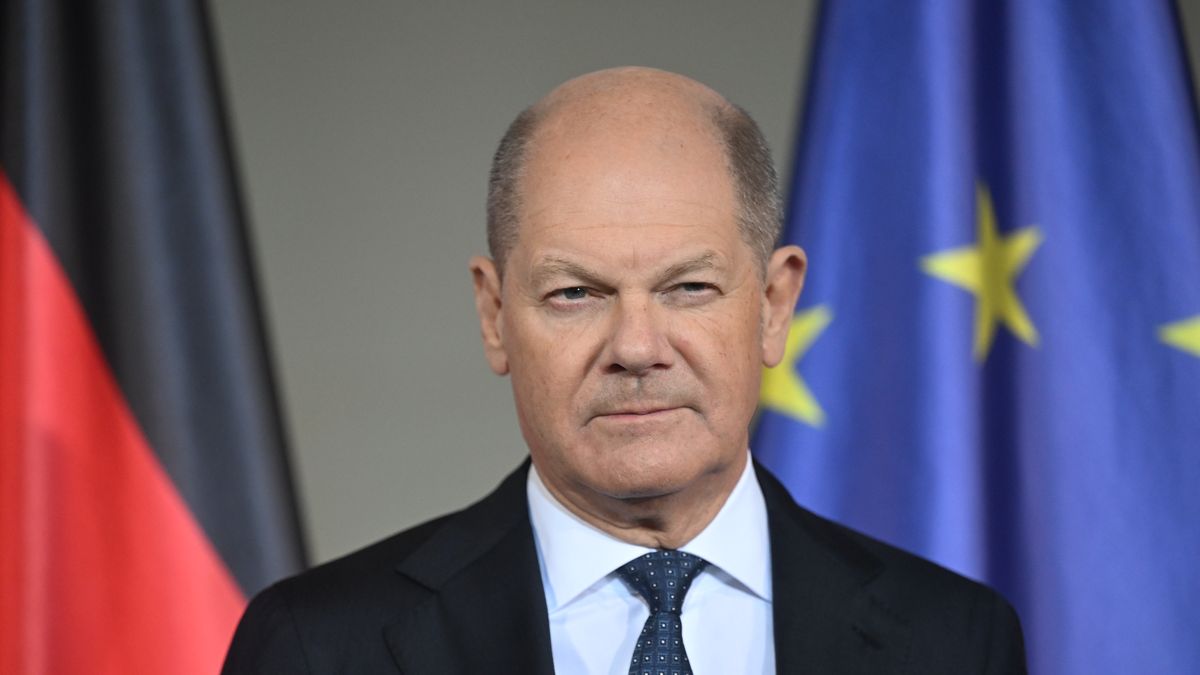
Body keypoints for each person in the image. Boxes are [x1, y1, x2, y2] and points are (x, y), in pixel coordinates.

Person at [222, 67, 1026, 674]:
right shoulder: (319, 648)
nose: (637, 347)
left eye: (689, 288)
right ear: (493, 314)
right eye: (576, 292)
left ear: (775, 305)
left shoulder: (953, 638)